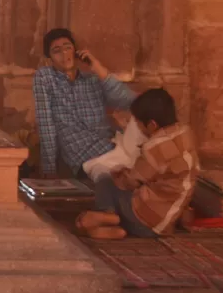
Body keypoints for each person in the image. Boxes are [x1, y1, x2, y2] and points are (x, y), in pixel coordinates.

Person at [76, 88, 199, 239]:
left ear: (152, 125)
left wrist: (118, 173)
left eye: (139, 124)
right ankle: (112, 224)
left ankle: (107, 218)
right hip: (167, 221)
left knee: (105, 181)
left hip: (145, 222)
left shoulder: (154, 147)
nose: (139, 129)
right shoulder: (186, 133)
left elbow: (130, 182)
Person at [32, 28, 140, 178]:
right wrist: (49, 170)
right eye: (56, 51)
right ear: (49, 58)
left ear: (76, 52)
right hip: (88, 157)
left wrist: (99, 69)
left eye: (68, 48)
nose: (64, 54)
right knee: (118, 175)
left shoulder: (92, 79)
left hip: (115, 146)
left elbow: (132, 102)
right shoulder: (46, 78)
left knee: (149, 113)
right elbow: (46, 126)